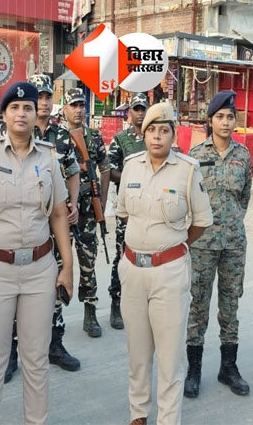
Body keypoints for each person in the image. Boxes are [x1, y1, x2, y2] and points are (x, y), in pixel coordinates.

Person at [0, 82, 74, 424]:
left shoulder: (49, 157)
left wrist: (67, 267)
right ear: (4, 115)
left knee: (36, 359)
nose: (22, 114)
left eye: (28, 108)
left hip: (39, 270)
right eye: (15, 108)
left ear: (37, 114)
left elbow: (59, 215)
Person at [117, 102, 213, 425]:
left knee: (170, 358)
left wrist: (172, 246)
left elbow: (201, 221)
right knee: (138, 354)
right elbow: (124, 213)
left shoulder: (188, 170)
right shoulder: (131, 166)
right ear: (143, 134)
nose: (157, 136)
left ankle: (168, 420)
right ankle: (138, 414)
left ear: (173, 135)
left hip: (170, 273)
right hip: (133, 271)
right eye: (151, 130)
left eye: (164, 130)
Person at [183, 90, 253, 399]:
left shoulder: (243, 155)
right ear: (210, 120)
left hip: (233, 245)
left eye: (230, 117)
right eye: (220, 117)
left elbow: (244, 198)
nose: (225, 122)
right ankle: (194, 370)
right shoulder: (195, 155)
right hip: (202, 244)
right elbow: (188, 199)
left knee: (230, 307)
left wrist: (231, 223)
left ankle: (229, 368)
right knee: (198, 305)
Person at [30, 74, 82, 374]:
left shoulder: (62, 135)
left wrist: (73, 202)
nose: (43, 102)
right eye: (38, 96)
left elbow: (73, 171)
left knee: (57, 281)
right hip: (26, 223)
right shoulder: (15, 129)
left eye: (47, 97)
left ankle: (55, 344)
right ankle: (12, 350)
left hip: (57, 223)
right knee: (20, 284)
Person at [61, 88, 110, 338]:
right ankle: (54, 316)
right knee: (59, 262)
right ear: (65, 109)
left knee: (88, 261)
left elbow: (105, 167)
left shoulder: (94, 136)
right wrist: (77, 167)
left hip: (88, 211)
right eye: (74, 105)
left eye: (82, 105)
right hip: (63, 210)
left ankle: (90, 312)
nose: (79, 110)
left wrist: (102, 199)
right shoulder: (57, 136)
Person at [107, 92, 149, 330]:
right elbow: (110, 170)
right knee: (123, 256)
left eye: (143, 109)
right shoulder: (121, 139)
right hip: (128, 210)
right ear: (129, 112)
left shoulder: (156, 136)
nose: (140, 113)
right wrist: (133, 177)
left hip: (152, 209)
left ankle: (141, 305)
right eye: (136, 109)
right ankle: (116, 303)